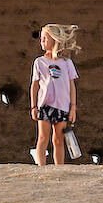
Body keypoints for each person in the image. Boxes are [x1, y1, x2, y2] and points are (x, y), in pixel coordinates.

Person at [29, 23, 79, 166]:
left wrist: (73, 107)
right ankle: (41, 167)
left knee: (58, 139)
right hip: (45, 104)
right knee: (43, 137)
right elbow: (35, 85)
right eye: (41, 39)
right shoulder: (39, 62)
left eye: (45, 39)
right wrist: (33, 106)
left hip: (62, 106)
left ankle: (59, 168)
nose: (42, 42)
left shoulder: (66, 63)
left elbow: (71, 86)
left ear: (54, 40)